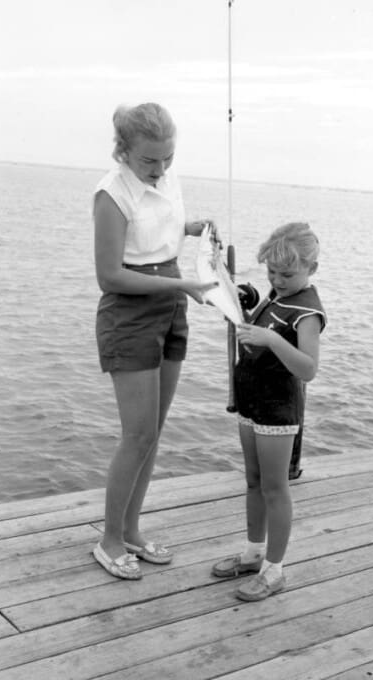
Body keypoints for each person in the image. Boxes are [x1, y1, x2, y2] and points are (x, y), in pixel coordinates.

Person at [92, 102, 218, 580]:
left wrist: (192, 228)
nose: (161, 169)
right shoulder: (111, 193)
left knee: (154, 433)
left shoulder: (165, 178)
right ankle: (108, 540)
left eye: (168, 158)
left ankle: (131, 530)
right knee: (137, 433)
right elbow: (110, 275)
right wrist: (179, 286)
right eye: (150, 161)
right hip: (130, 313)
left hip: (171, 307)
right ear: (124, 150)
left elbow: (158, 233)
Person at [212, 222, 326, 601]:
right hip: (251, 401)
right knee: (253, 481)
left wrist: (272, 339)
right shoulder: (277, 296)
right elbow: (268, 316)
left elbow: (308, 368)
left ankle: (274, 570)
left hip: (278, 408)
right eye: (271, 273)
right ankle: (253, 552)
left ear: (312, 268)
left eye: (287, 274)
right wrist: (250, 298)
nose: (278, 280)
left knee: (275, 488)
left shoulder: (308, 311)